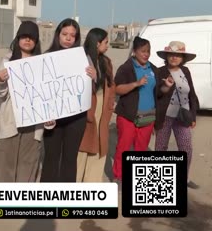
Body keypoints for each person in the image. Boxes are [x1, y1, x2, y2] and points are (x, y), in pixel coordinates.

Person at [40, 18, 97, 182]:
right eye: (65, 34)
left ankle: (67, 199)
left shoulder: (84, 58)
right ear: (58, 34)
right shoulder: (46, 57)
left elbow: (91, 89)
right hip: (52, 118)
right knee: (51, 158)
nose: (68, 38)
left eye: (73, 35)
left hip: (76, 118)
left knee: (70, 159)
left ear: (77, 37)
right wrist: (45, 115)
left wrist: (94, 76)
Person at [112, 36, 173, 184]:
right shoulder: (126, 68)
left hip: (148, 117)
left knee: (141, 149)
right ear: (134, 52)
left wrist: (167, 86)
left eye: (148, 51)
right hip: (128, 116)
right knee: (124, 147)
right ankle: (118, 176)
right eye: (143, 51)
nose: (146, 54)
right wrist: (136, 84)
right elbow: (117, 89)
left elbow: (159, 92)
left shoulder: (153, 69)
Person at [0, 21, 46, 182]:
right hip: (11, 124)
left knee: (28, 169)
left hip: (33, 125)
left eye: (32, 37)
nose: (28, 40)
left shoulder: (44, 63)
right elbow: (0, 94)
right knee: (5, 170)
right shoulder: (7, 61)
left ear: (36, 40)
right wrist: (0, 80)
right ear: (18, 38)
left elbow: (48, 95)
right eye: (24, 36)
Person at [154, 41, 199, 189]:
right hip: (165, 116)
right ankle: (159, 179)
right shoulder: (160, 71)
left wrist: (193, 115)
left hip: (182, 116)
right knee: (161, 147)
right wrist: (166, 86)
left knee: (186, 148)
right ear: (166, 55)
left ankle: (184, 178)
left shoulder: (185, 71)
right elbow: (157, 93)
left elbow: (192, 94)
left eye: (178, 55)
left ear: (182, 58)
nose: (174, 57)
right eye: (172, 54)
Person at [77, 28, 116, 182]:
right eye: (106, 42)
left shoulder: (105, 61)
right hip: (87, 107)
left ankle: (92, 184)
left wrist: (110, 100)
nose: (108, 45)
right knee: (83, 147)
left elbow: (111, 84)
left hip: (102, 105)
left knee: (100, 145)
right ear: (97, 42)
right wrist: (92, 79)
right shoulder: (81, 59)